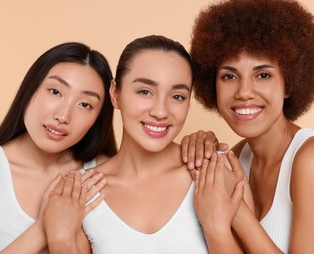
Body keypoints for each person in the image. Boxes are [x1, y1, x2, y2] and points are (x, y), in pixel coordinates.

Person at [43, 34, 248, 253]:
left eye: (177, 96)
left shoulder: (217, 172)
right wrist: (60, 241)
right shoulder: (82, 192)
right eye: (145, 91)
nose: (160, 111)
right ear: (115, 94)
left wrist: (216, 228)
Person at [186, 0, 314, 253]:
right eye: (229, 76)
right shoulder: (238, 158)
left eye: (263, 75)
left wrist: (236, 207)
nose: (244, 92)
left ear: (290, 84)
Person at [0, 42, 118, 253]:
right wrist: (44, 226)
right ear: (30, 88)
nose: (63, 116)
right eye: (55, 91)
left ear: (98, 118)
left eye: (85, 104)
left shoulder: (102, 176)